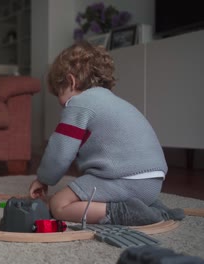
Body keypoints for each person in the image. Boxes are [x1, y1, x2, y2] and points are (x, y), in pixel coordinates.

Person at [29, 40, 183, 226]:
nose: (60, 102)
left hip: (123, 179)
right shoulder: (115, 103)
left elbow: (59, 150)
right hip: (152, 184)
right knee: (92, 193)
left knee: (58, 205)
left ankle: (122, 213)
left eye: (59, 94)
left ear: (71, 81)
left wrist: (43, 179)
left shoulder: (78, 105)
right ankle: (156, 210)